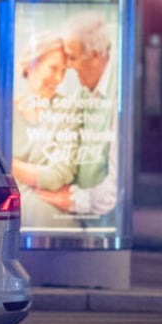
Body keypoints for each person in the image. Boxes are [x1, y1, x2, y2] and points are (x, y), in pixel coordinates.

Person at [35, 11, 117, 223]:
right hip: (84, 218)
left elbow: (114, 191)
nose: (69, 66)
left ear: (96, 55)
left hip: (104, 222)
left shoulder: (119, 94)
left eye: (72, 57)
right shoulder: (83, 91)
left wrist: (72, 199)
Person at [12, 31, 80, 229]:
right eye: (53, 68)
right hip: (15, 224)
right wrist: (36, 176)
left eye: (64, 70)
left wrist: (10, 164)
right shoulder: (5, 109)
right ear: (31, 64)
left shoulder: (67, 108)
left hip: (54, 223)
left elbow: (58, 175)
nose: (58, 78)